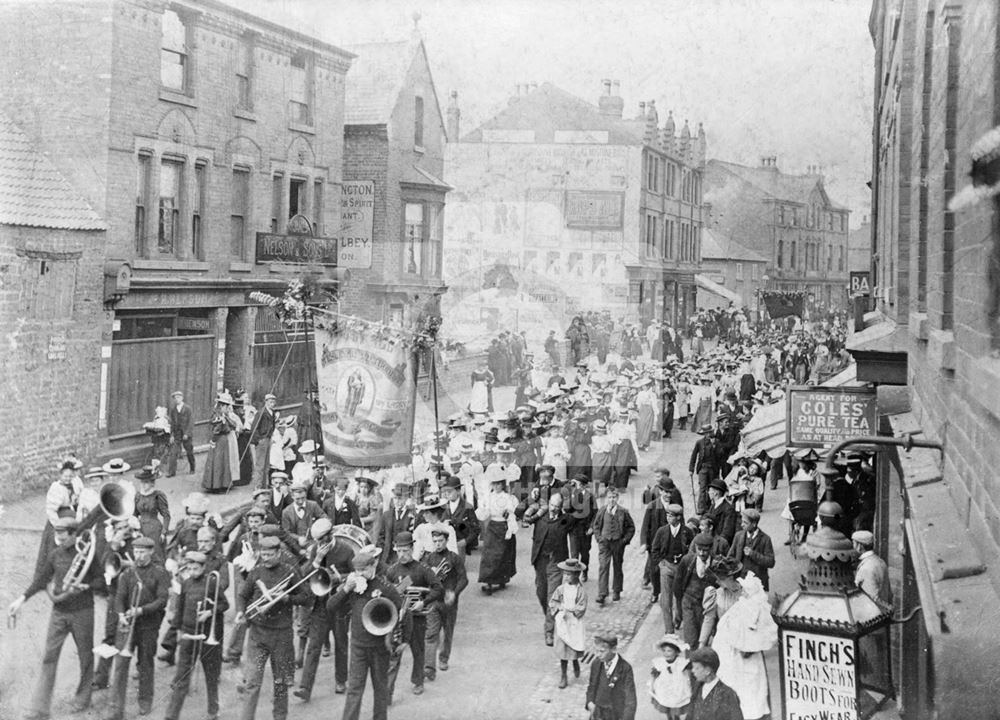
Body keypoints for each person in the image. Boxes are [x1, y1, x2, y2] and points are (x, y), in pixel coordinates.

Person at [9, 517, 105, 719]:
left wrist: (87, 586)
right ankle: (40, 709)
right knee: (48, 657)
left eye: (63, 533)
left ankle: (82, 698)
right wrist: (21, 599)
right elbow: (41, 580)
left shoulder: (87, 553)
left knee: (85, 656)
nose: (58, 537)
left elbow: (101, 581)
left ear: (73, 534)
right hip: (59, 613)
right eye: (57, 532)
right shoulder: (55, 554)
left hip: (83, 612)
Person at [234, 535, 311, 720]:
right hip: (257, 635)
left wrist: (287, 598)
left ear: (278, 553)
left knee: (281, 683)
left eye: (269, 554)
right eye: (263, 554)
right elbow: (243, 595)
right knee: (252, 682)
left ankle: (280, 717)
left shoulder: (290, 571)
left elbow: (307, 598)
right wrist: (241, 612)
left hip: (281, 635)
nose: (265, 558)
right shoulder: (257, 571)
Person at [325, 546, 402, 720]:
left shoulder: (386, 587)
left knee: (380, 688)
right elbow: (330, 606)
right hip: (358, 645)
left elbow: (402, 611)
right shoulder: (352, 585)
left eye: (364, 569)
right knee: (354, 689)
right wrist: (345, 589)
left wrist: (400, 640)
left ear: (373, 565)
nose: (360, 573)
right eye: (357, 570)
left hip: (379, 646)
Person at [105, 535, 171, 719]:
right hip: (128, 625)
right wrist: (120, 615)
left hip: (148, 625)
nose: (139, 555)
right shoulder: (127, 573)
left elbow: (162, 600)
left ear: (151, 551)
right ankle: (115, 709)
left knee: (146, 664)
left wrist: (141, 610)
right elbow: (119, 597)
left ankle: (145, 702)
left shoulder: (160, 572)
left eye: (143, 551)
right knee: (121, 665)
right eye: (136, 551)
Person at [294, 518, 355, 702]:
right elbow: (303, 576)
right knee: (314, 646)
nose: (320, 544)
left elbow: (355, 574)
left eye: (323, 539)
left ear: (330, 535)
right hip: (320, 604)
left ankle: (341, 680)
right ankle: (305, 687)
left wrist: (337, 578)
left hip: (339, 604)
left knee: (341, 643)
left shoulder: (346, 549)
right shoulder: (315, 550)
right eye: (317, 541)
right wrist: (317, 560)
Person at [164, 550, 228, 720]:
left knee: (211, 676)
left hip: (207, 636)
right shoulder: (186, 583)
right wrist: (176, 630)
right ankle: (171, 715)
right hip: (188, 634)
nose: (192, 572)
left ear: (203, 567)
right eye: (190, 568)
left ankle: (213, 711)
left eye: (196, 569)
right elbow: (180, 608)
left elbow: (224, 604)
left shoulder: (212, 582)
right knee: (182, 676)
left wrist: (209, 612)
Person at [385, 531, 443, 699]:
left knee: (418, 651)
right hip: (399, 619)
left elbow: (438, 588)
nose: (401, 555)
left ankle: (418, 681)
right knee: (394, 655)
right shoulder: (392, 571)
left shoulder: (422, 569)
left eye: (405, 551)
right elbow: (389, 594)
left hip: (417, 618)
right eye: (398, 551)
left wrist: (423, 603)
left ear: (412, 548)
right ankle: (388, 692)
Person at [713, 573, 777, 720]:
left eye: (746, 591)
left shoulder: (755, 608)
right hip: (733, 653)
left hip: (746, 656)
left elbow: (757, 634)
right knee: (741, 688)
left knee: (751, 690)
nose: (744, 593)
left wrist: (748, 645)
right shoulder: (743, 606)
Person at [524, 493, 573, 646]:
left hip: (556, 563)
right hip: (540, 561)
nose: (554, 509)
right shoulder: (540, 517)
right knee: (541, 592)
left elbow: (576, 519)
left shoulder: (565, 520)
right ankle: (550, 615)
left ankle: (549, 632)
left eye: (557, 507)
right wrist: (534, 506)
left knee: (552, 597)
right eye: (552, 505)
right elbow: (522, 513)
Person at [422, 525, 468, 679]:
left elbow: (464, 579)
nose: (438, 544)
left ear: (447, 541)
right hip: (433, 601)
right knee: (431, 633)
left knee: (448, 632)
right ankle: (429, 667)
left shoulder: (454, 558)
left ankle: (443, 658)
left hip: (449, 603)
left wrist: (454, 593)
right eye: (435, 541)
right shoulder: (428, 559)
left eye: (440, 541)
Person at [590, 486, 635, 605]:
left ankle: (616, 590)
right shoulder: (602, 511)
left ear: (618, 498)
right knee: (603, 566)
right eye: (609, 497)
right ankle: (602, 593)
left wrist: (624, 540)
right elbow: (596, 525)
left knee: (617, 566)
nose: (611, 500)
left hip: (617, 543)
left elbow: (631, 527)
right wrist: (599, 538)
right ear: (606, 498)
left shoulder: (623, 512)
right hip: (605, 542)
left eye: (614, 497)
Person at [650, 504, 692, 633]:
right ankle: (669, 630)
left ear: (678, 517)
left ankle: (678, 618)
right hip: (666, 567)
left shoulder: (687, 532)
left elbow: (691, 551)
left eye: (671, 516)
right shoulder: (662, 531)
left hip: (681, 568)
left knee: (679, 597)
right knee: (666, 601)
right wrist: (660, 564)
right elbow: (654, 550)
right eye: (667, 515)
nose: (668, 518)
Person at [475, 476, 519, 594]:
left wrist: (510, 520)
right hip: (493, 526)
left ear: (503, 485)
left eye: (499, 484)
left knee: (503, 554)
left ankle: (502, 578)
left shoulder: (508, 498)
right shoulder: (489, 497)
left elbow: (512, 512)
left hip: (504, 526)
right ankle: (488, 581)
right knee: (489, 554)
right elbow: (483, 513)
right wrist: (481, 509)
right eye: (494, 484)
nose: (496, 487)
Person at [549, 557, 587, 689]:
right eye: (565, 574)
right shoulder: (561, 589)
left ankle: (575, 661)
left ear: (576, 575)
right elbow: (553, 602)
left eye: (569, 574)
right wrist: (559, 609)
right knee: (563, 648)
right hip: (563, 621)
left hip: (574, 621)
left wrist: (572, 611)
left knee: (574, 645)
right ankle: (563, 675)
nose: (566, 577)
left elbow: (582, 606)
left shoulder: (580, 591)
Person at [673, 533, 715, 649]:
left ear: (711, 549)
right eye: (699, 549)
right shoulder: (687, 561)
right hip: (689, 604)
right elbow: (677, 586)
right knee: (690, 640)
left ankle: (699, 664)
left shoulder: (716, 564)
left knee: (703, 640)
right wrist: (679, 607)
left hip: (706, 608)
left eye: (705, 550)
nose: (701, 553)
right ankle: (689, 664)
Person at [585, 634, 637, 720]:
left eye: (602, 651)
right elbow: (592, 686)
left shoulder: (625, 668)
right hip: (598, 712)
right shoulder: (596, 663)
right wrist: (590, 702)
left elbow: (630, 700)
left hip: (615, 714)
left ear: (614, 649)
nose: (598, 654)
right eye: (596, 651)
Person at [687, 646, 744, 720]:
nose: (693, 671)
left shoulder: (728, 694)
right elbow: (690, 714)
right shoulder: (698, 687)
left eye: (697, 668)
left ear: (707, 671)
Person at [202, 391, 242, 492]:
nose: (227, 408)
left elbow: (232, 425)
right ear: (221, 406)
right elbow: (217, 430)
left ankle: (222, 484)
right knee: (218, 463)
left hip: (222, 441)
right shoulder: (218, 416)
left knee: (222, 462)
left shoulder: (224, 416)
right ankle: (216, 485)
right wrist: (213, 441)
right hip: (219, 441)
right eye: (225, 406)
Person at [727, 509, 775, 592]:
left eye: (745, 523)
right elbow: (730, 556)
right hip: (741, 581)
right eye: (742, 522)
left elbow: (771, 562)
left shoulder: (765, 539)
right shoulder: (738, 536)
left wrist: (752, 554)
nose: (742, 525)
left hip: (757, 582)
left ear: (754, 524)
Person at [649, 634, 692, 719]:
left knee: (676, 705)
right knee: (666, 704)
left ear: (676, 652)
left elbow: (689, 672)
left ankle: (676, 718)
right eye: (664, 650)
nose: (666, 653)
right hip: (664, 687)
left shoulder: (681, 662)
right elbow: (654, 674)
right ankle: (669, 717)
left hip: (677, 687)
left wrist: (689, 683)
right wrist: (652, 685)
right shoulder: (660, 662)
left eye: (669, 651)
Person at [133, 464, 170, 560]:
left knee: (156, 554)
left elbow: (166, 515)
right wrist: (135, 528)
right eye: (141, 482)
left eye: (146, 482)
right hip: (141, 528)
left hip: (155, 529)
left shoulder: (158, 495)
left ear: (152, 483)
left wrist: (163, 532)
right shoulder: (138, 496)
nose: (143, 485)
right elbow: (135, 514)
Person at [851, 530, 892, 607]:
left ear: (859, 546)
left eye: (853, 543)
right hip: (884, 612)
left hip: (874, 614)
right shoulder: (881, 561)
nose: (852, 547)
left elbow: (871, 598)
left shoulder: (866, 568)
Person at [250, 393, 278, 488]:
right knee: (260, 466)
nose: (272, 404)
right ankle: (258, 486)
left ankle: (264, 485)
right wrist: (258, 440)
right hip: (262, 440)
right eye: (270, 402)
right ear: (266, 402)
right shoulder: (261, 412)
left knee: (266, 466)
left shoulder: (272, 413)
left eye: (273, 402)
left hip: (268, 439)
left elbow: (273, 425)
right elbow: (254, 427)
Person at [167, 390, 196, 476]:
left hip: (186, 434)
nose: (177, 399)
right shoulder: (173, 410)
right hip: (176, 434)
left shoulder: (188, 408)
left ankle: (192, 468)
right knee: (173, 452)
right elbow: (171, 423)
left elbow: (191, 422)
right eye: (175, 398)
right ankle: (171, 472)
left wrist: (187, 433)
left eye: (178, 397)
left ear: (182, 398)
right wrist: (171, 435)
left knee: (189, 451)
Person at [705, 477, 737, 546]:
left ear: (716, 493)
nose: (708, 492)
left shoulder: (729, 509)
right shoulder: (713, 505)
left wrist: (716, 545)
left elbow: (727, 533)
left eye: (710, 490)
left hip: (720, 545)